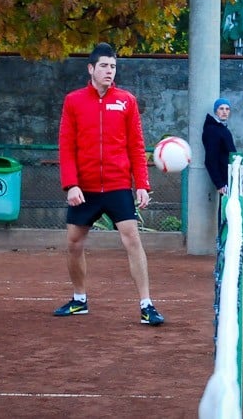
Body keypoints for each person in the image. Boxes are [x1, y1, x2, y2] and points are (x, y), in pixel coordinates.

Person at [54, 42, 164, 326]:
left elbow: (136, 145)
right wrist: (71, 185)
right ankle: (79, 300)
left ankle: (146, 304)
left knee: (132, 239)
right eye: (104, 66)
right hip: (85, 188)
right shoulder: (74, 101)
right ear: (91, 68)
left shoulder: (127, 100)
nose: (109, 71)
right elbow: (66, 147)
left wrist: (142, 184)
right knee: (74, 243)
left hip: (117, 185)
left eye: (113, 66)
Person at [202, 98, 237, 197]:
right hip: (225, 176)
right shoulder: (212, 130)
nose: (224, 112)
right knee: (227, 208)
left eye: (227, 109)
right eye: (221, 109)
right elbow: (210, 159)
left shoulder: (222, 128)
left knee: (237, 208)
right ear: (216, 111)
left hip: (232, 174)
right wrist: (219, 183)